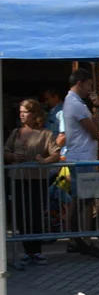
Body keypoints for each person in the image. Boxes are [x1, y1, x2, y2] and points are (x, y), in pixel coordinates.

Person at [4, 99, 61, 268]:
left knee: (35, 214)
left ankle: (36, 250)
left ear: (35, 114)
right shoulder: (16, 132)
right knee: (21, 215)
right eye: (20, 112)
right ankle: (26, 251)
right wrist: (12, 156)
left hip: (37, 179)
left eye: (25, 112)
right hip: (18, 179)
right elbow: (5, 150)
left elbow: (55, 154)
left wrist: (45, 160)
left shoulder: (45, 133)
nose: (22, 115)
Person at [63, 68, 99, 234]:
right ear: (80, 83)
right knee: (85, 201)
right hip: (82, 157)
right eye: (89, 85)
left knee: (79, 199)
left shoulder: (77, 103)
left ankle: (76, 237)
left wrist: (97, 106)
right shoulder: (75, 104)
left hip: (84, 156)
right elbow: (96, 133)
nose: (90, 89)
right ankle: (82, 237)